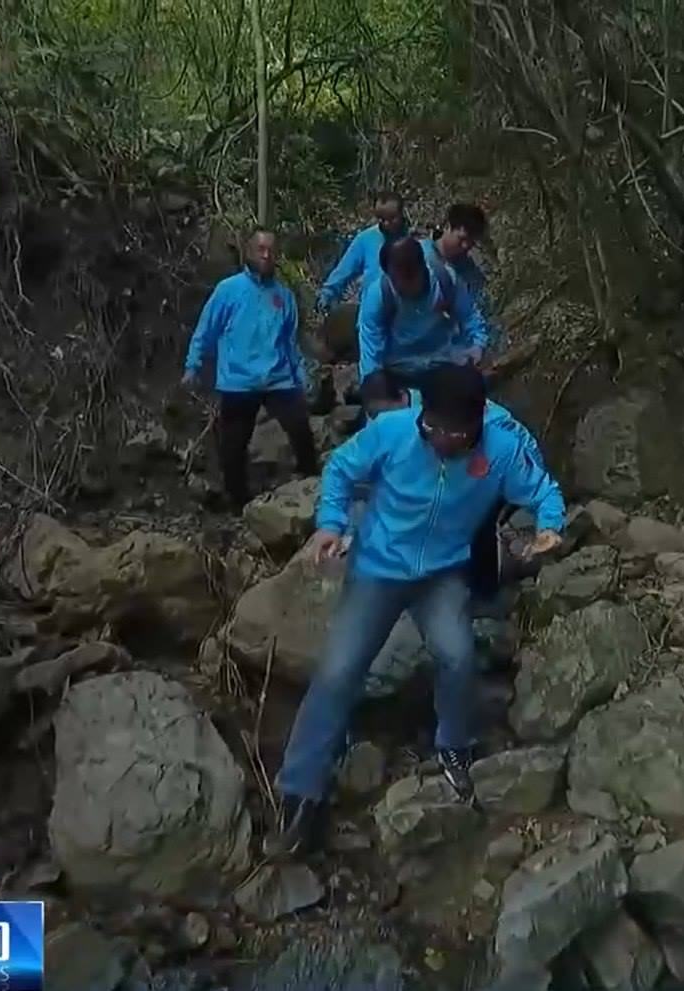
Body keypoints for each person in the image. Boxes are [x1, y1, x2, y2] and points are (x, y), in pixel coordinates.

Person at [267, 364, 565, 855]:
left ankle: (453, 744)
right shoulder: (393, 431)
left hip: (442, 574)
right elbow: (341, 468)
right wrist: (330, 522)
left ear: (475, 425)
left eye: (453, 433)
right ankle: (300, 789)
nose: (439, 439)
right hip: (378, 567)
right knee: (339, 671)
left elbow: (544, 490)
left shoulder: (501, 449)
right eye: (432, 427)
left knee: (458, 655)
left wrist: (549, 525)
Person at [358, 370, 541, 605]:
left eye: (385, 413)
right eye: (374, 415)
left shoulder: (442, 411)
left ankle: (485, 595)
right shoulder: (387, 420)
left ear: (403, 397)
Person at [183, 230, 318, 509]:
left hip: (278, 379)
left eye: (271, 250)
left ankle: (313, 487)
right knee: (233, 447)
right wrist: (192, 366)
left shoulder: (284, 296)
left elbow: (290, 343)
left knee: (301, 431)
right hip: (239, 381)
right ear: (248, 251)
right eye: (260, 249)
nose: (266, 255)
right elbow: (206, 330)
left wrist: (301, 377)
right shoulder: (228, 290)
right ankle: (238, 503)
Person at [357, 235, 491, 387]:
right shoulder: (378, 296)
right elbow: (370, 354)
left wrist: (477, 346)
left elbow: (470, 317)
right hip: (399, 368)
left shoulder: (445, 279)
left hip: (445, 358)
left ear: (423, 267)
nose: (404, 286)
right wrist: (373, 389)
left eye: (410, 278)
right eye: (396, 280)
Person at [315, 190, 410, 311]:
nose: (386, 224)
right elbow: (345, 270)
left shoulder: (414, 241)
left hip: (405, 310)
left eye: (392, 219)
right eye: (382, 219)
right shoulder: (366, 239)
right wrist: (327, 293)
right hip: (371, 310)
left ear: (401, 214)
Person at [425, 203, 496, 348]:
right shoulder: (418, 254)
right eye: (461, 239)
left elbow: (477, 314)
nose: (465, 246)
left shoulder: (470, 274)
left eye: (471, 242)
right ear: (447, 227)